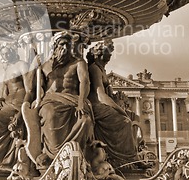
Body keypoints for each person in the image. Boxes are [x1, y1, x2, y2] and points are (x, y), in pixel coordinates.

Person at [24, 31, 94, 163]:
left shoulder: (79, 63)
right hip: (51, 100)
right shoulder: (45, 65)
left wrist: (81, 103)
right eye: (62, 45)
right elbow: (30, 88)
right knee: (50, 113)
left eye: (68, 45)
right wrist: (34, 65)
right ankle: (53, 155)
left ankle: (75, 154)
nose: (65, 48)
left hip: (73, 100)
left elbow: (85, 82)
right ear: (55, 47)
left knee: (85, 119)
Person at [87, 40, 138, 169]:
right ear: (99, 54)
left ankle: (132, 155)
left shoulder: (102, 69)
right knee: (124, 121)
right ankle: (126, 159)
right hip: (96, 106)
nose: (110, 55)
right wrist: (120, 110)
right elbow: (101, 96)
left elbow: (107, 94)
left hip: (102, 104)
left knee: (132, 117)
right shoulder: (94, 69)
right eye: (107, 52)